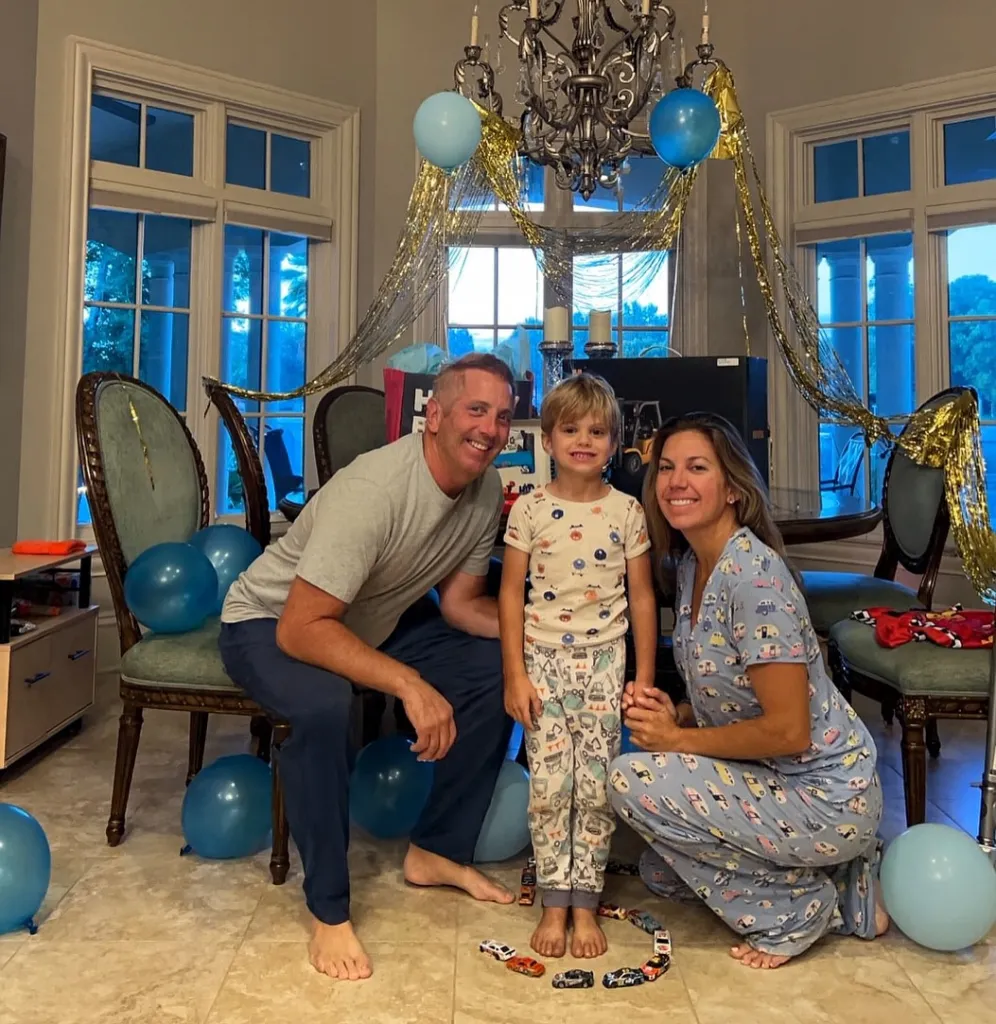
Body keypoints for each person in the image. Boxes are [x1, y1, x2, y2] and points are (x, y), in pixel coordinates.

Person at [219, 353, 519, 982]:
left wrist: (537, 634)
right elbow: (301, 628)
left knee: (493, 668)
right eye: (476, 410)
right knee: (324, 705)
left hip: (368, 618)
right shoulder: (375, 492)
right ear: (434, 416)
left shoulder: (486, 489)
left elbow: (461, 605)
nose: (490, 429)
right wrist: (409, 683)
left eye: (502, 416)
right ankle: (328, 912)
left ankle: (437, 850)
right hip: (270, 622)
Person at [608, 412, 890, 970]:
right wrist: (681, 715)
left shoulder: (755, 581)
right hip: (769, 781)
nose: (676, 482)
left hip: (826, 795)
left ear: (733, 487)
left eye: (697, 468)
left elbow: (788, 731)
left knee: (629, 780)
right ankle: (845, 884)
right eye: (666, 468)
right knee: (662, 872)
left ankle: (802, 911)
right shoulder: (692, 567)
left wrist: (676, 742)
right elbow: (734, 696)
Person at [499, 374, 658, 959]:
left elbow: (642, 597)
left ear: (614, 443)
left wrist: (643, 677)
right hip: (541, 661)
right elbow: (509, 594)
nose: (583, 441)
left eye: (597, 431)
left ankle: (585, 901)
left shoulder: (627, 511)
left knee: (594, 786)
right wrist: (514, 674)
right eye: (571, 430)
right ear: (548, 439)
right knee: (547, 787)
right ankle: (554, 899)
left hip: (604, 664)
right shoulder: (529, 509)